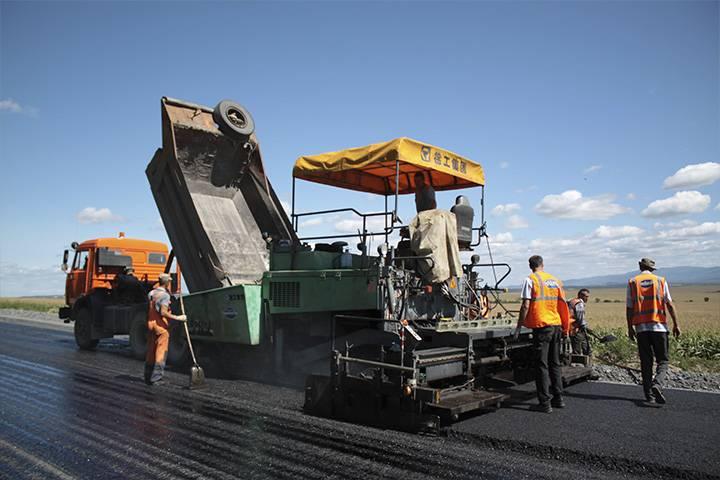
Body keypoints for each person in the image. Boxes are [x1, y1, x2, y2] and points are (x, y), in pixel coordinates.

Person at [514, 255, 570, 413]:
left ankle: (545, 403)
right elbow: (563, 305)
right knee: (555, 363)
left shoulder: (530, 280)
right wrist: (565, 328)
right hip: (556, 325)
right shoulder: (555, 280)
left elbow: (525, 305)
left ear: (530, 266)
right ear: (542, 264)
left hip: (542, 327)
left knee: (541, 365)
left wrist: (519, 327)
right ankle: (558, 398)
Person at [626, 258, 680, 404]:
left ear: (640, 267)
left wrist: (630, 327)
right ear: (652, 269)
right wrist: (676, 324)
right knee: (663, 360)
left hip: (641, 328)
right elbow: (669, 304)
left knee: (646, 362)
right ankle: (658, 384)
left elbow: (629, 307)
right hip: (659, 327)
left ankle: (649, 395)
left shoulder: (632, 282)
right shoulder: (660, 281)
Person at [144, 273, 186, 385]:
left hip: (151, 324)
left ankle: (147, 376)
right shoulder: (165, 296)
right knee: (161, 352)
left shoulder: (151, 293)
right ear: (167, 283)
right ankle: (156, 378)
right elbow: (163, 312)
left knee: (151, 351)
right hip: (161, 326)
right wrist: (178, 317)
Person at [569, 288, 591, 355]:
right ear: (581, 296)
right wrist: (585, 326)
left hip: (571, 327)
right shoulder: (579, 303)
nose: (587, 298)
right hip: (575, 328)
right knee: (581, 346)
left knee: (577, 345)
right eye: (586, 296)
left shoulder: (573, 301)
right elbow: (580, 318)